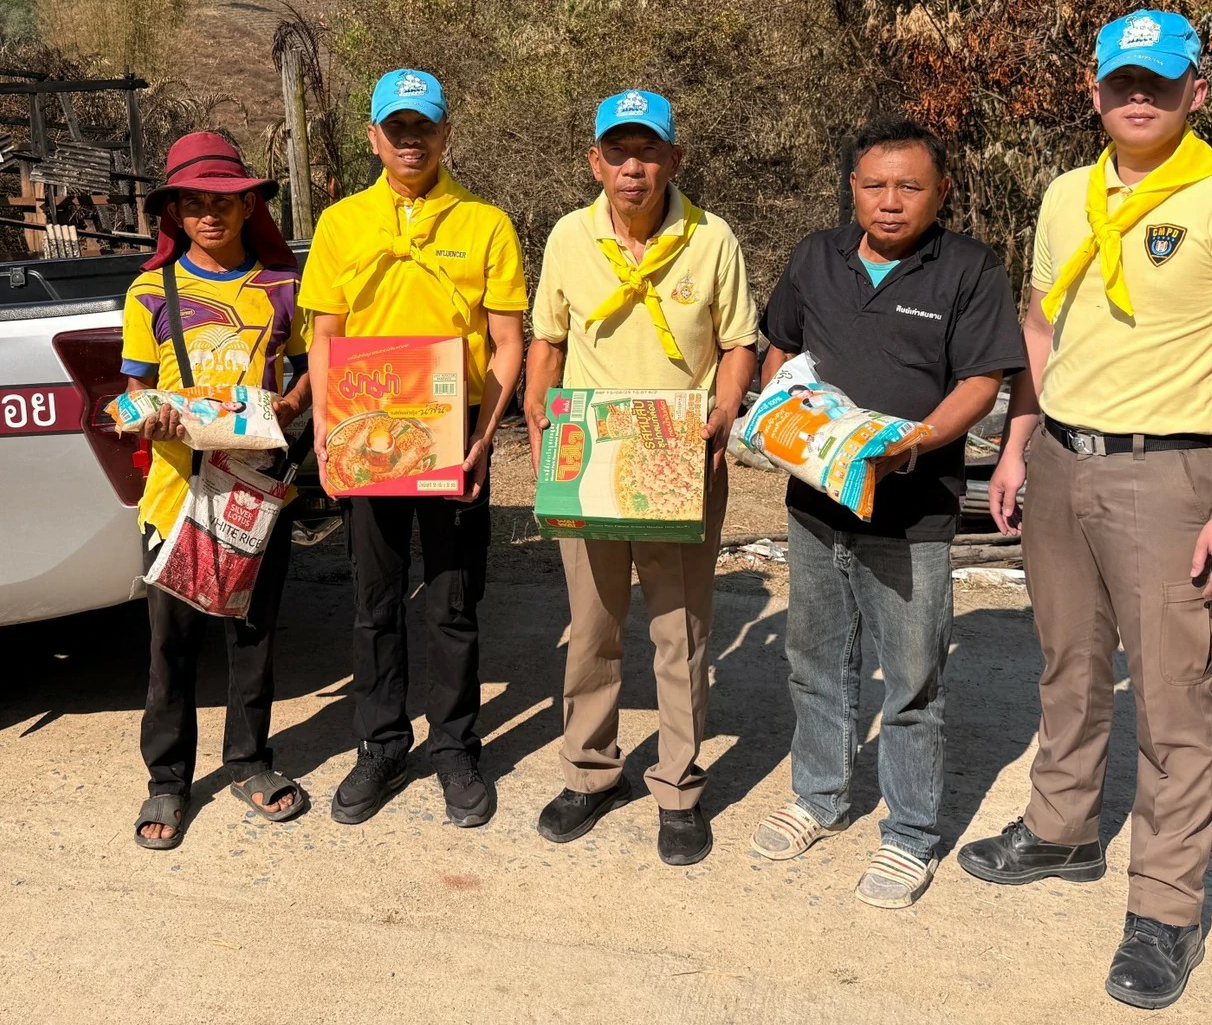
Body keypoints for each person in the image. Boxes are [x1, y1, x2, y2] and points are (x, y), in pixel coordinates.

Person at [956, 10, 1212, 1011]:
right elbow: (1041, 325)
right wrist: (1019, 444)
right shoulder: (1067, 195)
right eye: (1121, 81)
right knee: (1067, 661)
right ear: (1093, 91)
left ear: (1195, 92)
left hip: (1168, 472)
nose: (1137, 96)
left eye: (1158, 81)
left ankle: (1165, 910)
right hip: (1062, 460)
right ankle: (1061, 831)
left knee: (1172, 695)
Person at [750, 118, 1026, 906]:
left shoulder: (969, 268)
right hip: (816, 504)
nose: (891, 201)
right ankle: (819, 797)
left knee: (911, 681)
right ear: (853, 189)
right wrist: (777, 416)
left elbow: (981, 381)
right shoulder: (817, 256)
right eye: (874, 185)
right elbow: (780, 348)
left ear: (942, 192)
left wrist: (916, 442)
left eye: (910, 186)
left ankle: (910, 834)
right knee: (816, 662)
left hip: (914, 513)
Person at [524, 89, 758, 866]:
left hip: (678, 459)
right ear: (594, 161)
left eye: (649, 151)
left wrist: (723, 411)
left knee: (679, 631)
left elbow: (739, 342)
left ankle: (678, 786)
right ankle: (590, 773)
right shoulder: (569, 236)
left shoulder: (712, 239)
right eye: (619, 152)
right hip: (590, 458)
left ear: (674, 160)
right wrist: (536, 403)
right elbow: (549, 338)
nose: (634, 167)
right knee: (591, 629)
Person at [301, 68, 527, 829]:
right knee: (375, 602)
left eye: (423, 126)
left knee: (453, 601)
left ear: (445, 134)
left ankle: (455, 747)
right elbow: (325, 336)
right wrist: (329, 432)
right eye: (396, 128)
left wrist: (485, 438)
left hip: (454, 433)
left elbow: (506, 341)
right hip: (365, 433)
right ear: (373, 137)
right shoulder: (341, 224)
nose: (410, 140)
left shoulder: (485, 224)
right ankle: (381, 745)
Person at [120, 132, 313, 851]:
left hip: (254, 491)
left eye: (224, 201)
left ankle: (249, 761)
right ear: (174, 213)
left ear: (249, 206)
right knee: (170, 644)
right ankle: (168, 778)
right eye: (195, 203)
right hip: (175, 493)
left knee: (253, 634)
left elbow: (314, 366)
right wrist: (148, 415)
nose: (210, 214)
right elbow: (134, 388)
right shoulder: (151, 291)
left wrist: (287, 409)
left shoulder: (282, 286)